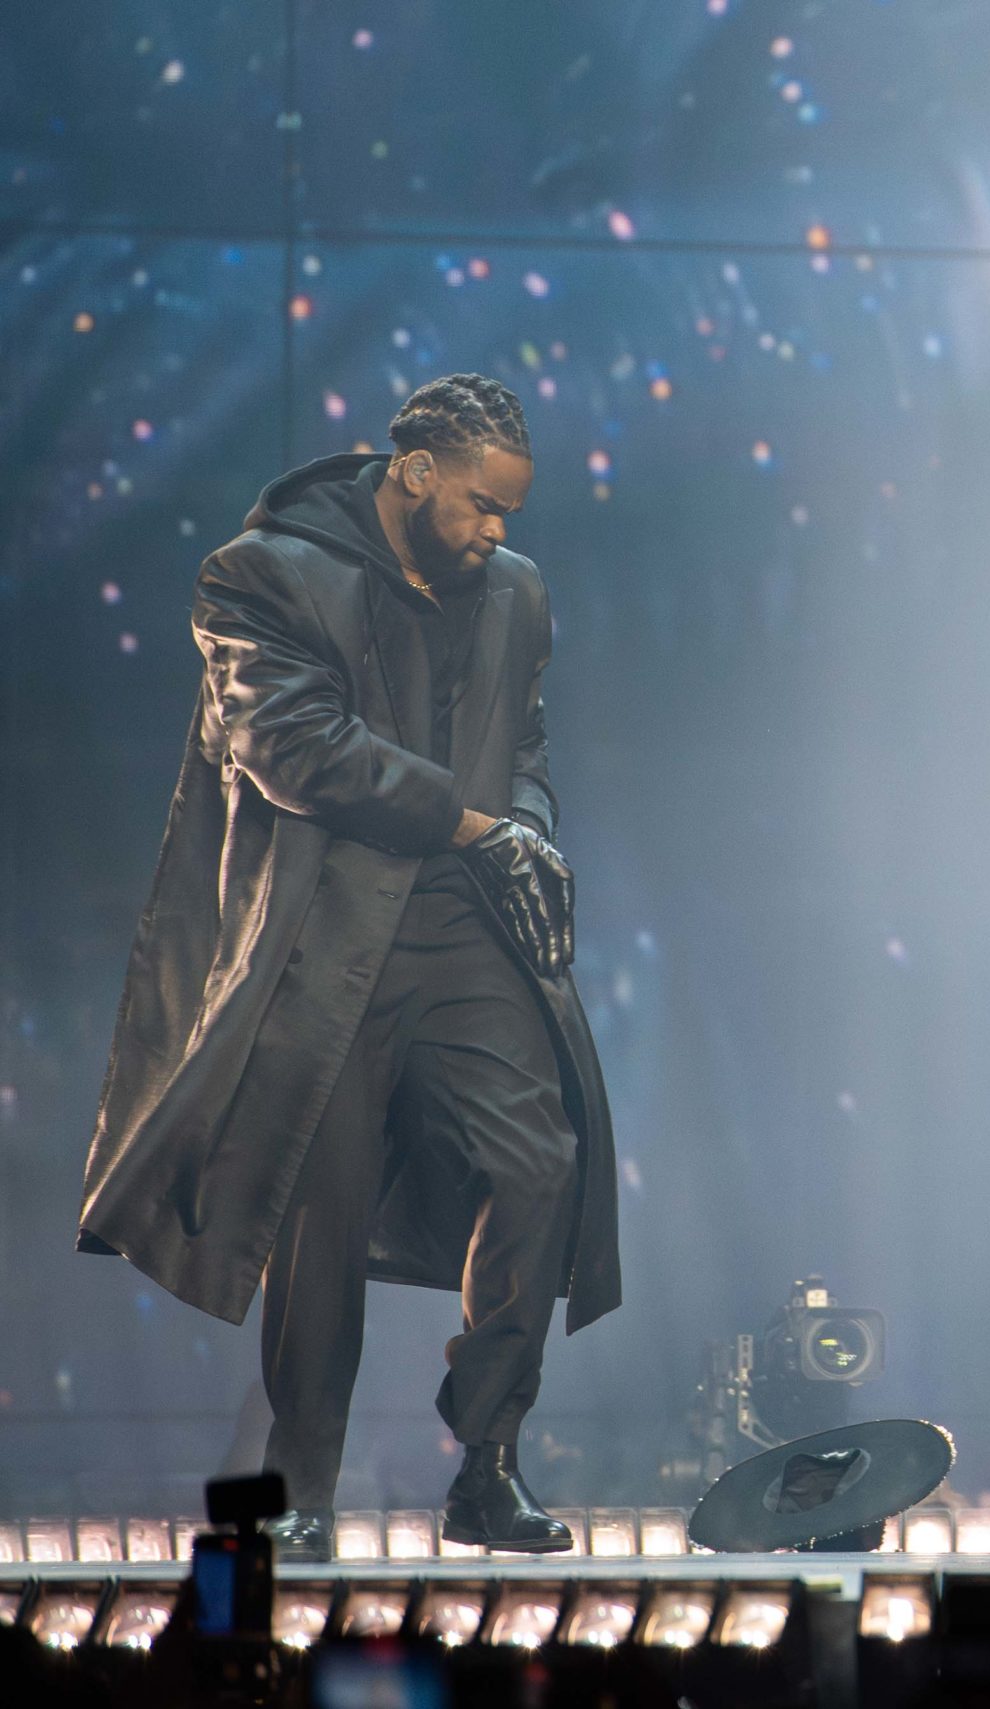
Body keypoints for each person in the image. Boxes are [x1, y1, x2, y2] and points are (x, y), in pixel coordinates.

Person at [81, 375, 619, 1558]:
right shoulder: (260, 574)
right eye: (481, 504)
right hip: (323, 936)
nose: (497, 531)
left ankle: (487, 1457)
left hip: (465, 926)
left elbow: (525, 744)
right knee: (318, 1215)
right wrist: (479, 825)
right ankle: (304, 1487)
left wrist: (527, 826)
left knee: (541, 1161)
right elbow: (293, 747)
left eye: (510, 512)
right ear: (415, 472)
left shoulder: (515, 592)